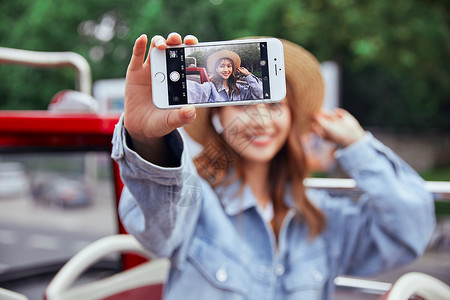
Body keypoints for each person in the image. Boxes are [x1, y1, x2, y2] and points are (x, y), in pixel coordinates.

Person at [112, 32, 436, 299]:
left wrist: (359, 147)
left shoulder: (322, 217)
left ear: (292, 116)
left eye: (275, 104)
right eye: (242, 107)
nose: (261, 118)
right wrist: (148, 141)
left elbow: (409, 232)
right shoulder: (195, 197)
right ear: (218, 117)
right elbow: (154, 224)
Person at [186, 49, 263, 103]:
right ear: (216, 69)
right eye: (222, 66)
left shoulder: (241, 89)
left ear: (232, 69)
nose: (226, 70)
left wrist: (248, 75)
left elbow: (260, 94)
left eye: (229, 66)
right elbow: (193, 90)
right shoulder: (210, 88)